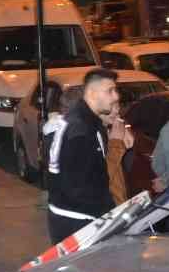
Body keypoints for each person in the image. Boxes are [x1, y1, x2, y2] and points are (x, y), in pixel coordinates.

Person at [44, 68, 131, 243]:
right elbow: (79, 188)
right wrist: (109, 216)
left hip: (78, 218)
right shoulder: (80, 130)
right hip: (78, 222)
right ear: (91, 93)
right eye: (110, 91)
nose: (116, 97)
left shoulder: (88, 122)